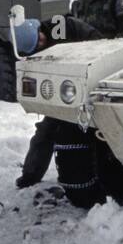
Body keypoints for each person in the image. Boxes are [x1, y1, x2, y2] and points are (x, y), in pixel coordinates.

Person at [15, 14, 105, 189]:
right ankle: (30, 175)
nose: (41, 44)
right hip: (64, 94)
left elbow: (100, 43)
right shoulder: (31, 52)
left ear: (38, 28)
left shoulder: (66, 26)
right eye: (36, 46)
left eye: (39, 40)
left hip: (92, 85)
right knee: (45, 131)